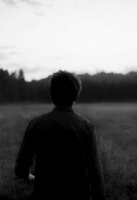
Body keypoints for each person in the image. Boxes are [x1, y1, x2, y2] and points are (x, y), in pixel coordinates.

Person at [15, 70, 105, 200]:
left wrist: (33, 178)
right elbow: (95, 176)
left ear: (52, 95)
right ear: (75, 96)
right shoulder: (87, 128)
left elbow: (20, 170)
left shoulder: (36, 125)